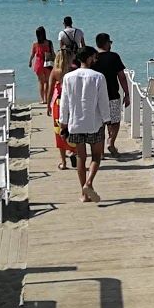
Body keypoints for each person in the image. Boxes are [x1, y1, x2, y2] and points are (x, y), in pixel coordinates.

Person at [58, 48, 110, 201]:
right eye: (93, 57)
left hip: (75, 123)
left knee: (81, 157)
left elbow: (64, 102)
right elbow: (103, 101)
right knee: (96, 156)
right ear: (88, 59)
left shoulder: (68, 77)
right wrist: (107, 119)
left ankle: (83, 194)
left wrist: (63, 122)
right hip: (94, 122)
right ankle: (89, 182)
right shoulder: (98, 77)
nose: (95, 60)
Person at [93, 33, 130, 157]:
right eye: (110, 42)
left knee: (100, 124)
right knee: (115, 121)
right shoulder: (114, 57)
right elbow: (122, 76)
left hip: (97, 97)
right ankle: (111, 141)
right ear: (106, 43)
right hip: (113, 94)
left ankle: (101, 152)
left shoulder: (93, 58)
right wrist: (127, 93)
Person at [30, 26, 52, 101]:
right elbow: (52, 53)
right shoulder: (49, 43)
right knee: (47, 81)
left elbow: (33, 54)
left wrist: (30, 61)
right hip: (47, 63)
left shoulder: (35, 44)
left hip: (39, 63)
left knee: (40, 82)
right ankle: (47, 98)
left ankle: (43, 99)